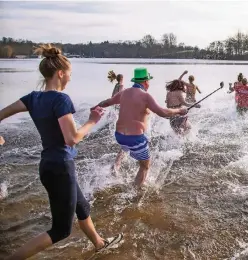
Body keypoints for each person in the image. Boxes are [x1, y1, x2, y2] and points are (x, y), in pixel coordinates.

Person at [0, 44, 122, 260]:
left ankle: (99, 243)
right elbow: (72, 138)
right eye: (70, 74)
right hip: (61, 167)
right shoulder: (61, 100)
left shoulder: (32, 98)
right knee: (61, 231)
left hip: (48, 166)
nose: (70, 79)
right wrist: (93, 120)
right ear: (60, 73)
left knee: (82, 207)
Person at [91, 67, 187, 187]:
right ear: (146, 82)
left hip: (119, 136)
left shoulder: (124, 92)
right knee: (145, 166)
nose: (149, 84)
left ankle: (115, 168)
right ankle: (135, 193)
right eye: (149, 81)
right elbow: (163, 112)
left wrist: (95, 107)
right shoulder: (145, 96)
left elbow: (107, 102)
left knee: (124, 148)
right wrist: (179, 110)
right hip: (135, 138)